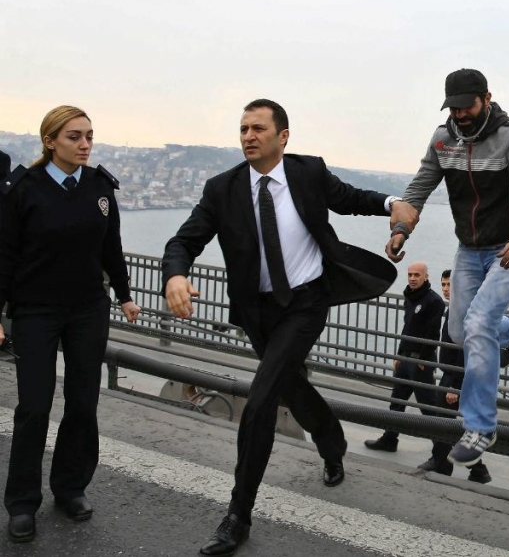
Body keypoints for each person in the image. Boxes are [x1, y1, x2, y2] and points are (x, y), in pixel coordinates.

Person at [162, 99, 417, 556]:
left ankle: (237, 515)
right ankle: (332, 441)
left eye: (258, 128)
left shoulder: (307, 172)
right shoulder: (222, 189)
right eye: (242, 128)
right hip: (258, 312)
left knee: (260, 401)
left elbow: (350, 199)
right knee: (290, 385)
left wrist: (391, 203)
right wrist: (176, 273)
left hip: (306, 301)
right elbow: (184, 239)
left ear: (283, 137)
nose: (248, 136)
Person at [386, 68, 509, 467]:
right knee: (461, 331)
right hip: (469, 249)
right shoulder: (443, 140)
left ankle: (481, 425)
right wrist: (400, 230)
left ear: (486, 98)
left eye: (468, 105)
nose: (460, 114)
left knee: (480, 322)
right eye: (454, 107)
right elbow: (418, 189)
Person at [0, 106, 141, 543]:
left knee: (82, 404)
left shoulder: (100, 187)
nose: (84, 145)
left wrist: (124, 294)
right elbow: (4, 256)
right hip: (35, 311)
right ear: (50, 141)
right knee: (34, 407)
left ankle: (70, 487)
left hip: (87, 310)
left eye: (89, 137)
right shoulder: (23, 189)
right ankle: (22, 503)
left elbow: (111, 247)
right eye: (74, 137)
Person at [414, 269, 492, 483]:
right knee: (444, 422)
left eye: (450, 285)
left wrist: (455, 387)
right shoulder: (456, 309)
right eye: (444, 285)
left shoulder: (464, 312)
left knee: (444, 422)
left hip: (456, 377)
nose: (446, 289)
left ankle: (468, 467)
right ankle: (452, 465)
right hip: (450, 374)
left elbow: (465, 351)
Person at [363, 262, 446, 454]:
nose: (412, 278)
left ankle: (442, 449)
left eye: (417, 275)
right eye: (410, 274)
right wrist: (399, 354)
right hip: (405, 360)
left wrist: (422, 360)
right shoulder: (409, 298)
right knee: (397, 401)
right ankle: (389, 440)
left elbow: (434, 335)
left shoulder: (434, 301)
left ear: (426, 277)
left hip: (420, 362)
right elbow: (407, 329)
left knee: (428, 408)